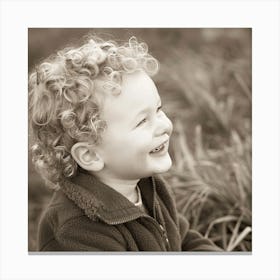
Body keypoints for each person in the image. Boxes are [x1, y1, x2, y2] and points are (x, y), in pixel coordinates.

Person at [29, 35, 222, 251]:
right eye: (142, 121)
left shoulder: (148, 186)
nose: (164, 125)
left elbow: (183, 239)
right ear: (90, 155)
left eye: (158, 110)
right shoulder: (77, 232)